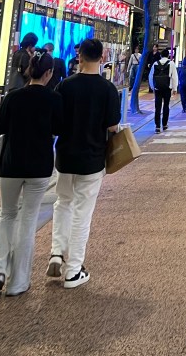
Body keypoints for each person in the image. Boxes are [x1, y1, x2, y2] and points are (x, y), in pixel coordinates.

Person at [0, 51, 64, 295]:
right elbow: (59, 129)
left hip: (11, 164)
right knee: (28, 220)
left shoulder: (13, 96)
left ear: (30, 70)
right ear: (49, 73)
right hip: (39, 166)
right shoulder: (54, 98)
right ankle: (18, 282)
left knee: (7, 215)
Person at [47, 37, 121, 289]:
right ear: (102, 58)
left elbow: (55, 125)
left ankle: (57, 252)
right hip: (92, 158)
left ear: (79, 57)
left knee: (63, 203)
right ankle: (73, 270)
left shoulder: (64, 86)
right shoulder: (107, 89)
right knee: (82, 213)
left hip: (65, 156)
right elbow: (113, 126)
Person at [149, 48, 177, 132]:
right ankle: (164, 124)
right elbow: (174, 77)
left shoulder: (155, 63)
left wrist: (153, 87)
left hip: (157, 88)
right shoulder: (171, 63)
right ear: (168, 55)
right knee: (166, 105)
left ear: (160, 55)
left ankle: (157, 126)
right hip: (167, 88)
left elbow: (151, 76)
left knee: (157, 107)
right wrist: (174, 88)